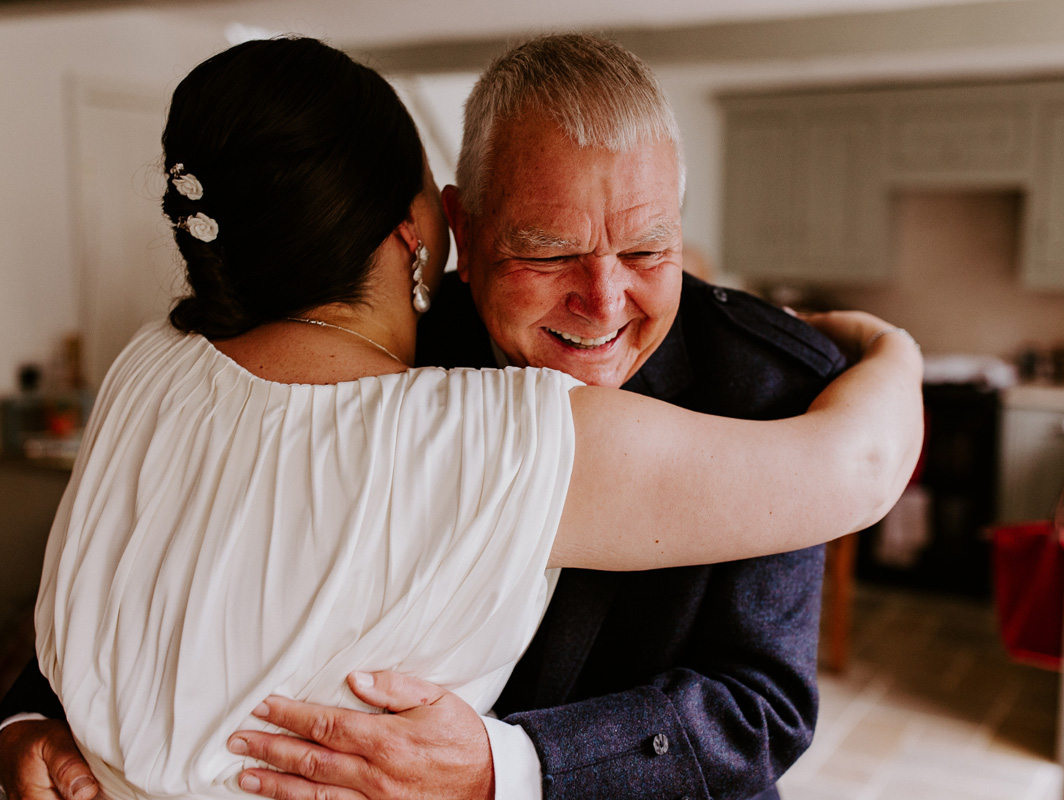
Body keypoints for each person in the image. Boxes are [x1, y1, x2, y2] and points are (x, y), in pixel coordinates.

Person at [0, 35, 923, 800]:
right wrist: (34, 714)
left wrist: (509, 767)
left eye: (648, 247)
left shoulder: (772, 383)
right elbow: (168, 559)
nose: (603, 303)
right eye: (548, 250)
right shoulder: (394, 362)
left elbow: (758, 708)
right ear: (458, 232)